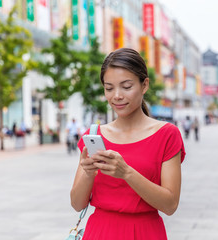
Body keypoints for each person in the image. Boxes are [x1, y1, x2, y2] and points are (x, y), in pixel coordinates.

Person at [70, 48, 186, 240]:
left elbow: (170, 204)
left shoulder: (166, 134)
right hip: (99, 232)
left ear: (144, 85)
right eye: (109, 88)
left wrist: (126, 173)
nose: (117, 95)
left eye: (126, 86)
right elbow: (76, 204)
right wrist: (89, 173)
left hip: (145, 232)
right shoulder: (93, 135)